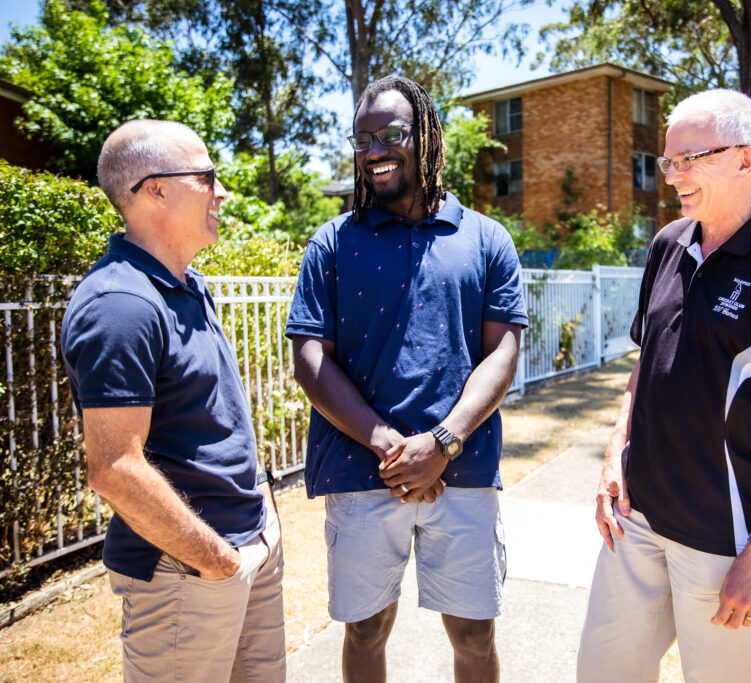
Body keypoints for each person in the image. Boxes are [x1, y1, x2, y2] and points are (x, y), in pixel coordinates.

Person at [577, 89, 751, 682]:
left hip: (725, 541)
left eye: (689, 159)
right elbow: (646, 362)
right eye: (668, 161)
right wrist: (615, 452)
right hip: (635, 520)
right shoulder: (669, 244)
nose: (673, 176)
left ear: (746, 160)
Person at [286, 75, 527, 683]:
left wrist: (442, 442)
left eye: (390, 135)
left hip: (463, 470)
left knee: (474, 633)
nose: (374, 151)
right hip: (362, 469)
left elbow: (502, 353)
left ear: (425, 135)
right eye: (362, 139)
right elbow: (311, 358)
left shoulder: (486, 239)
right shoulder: (332, 244)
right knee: (366, 628)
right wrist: (387, 444)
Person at [61, 120, 285, 682]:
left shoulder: (186, 285)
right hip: (188, 572)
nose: (222, 191)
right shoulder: (121, 304)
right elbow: (115, 468)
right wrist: (216, 562)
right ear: (155, 189)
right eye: (207, 176)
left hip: (247, 546)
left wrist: (262, 512)